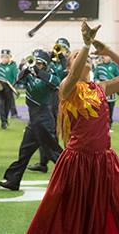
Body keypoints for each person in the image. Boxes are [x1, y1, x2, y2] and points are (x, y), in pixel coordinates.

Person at [27, 20, 119, 234]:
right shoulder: (66, 88)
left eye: (86, 55)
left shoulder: (101, 88)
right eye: (77, 56)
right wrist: (86, 45)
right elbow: (72, 76)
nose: (85, 56)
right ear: (69, 66)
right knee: (72, 217)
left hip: (104, 161)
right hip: (77, 162)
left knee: (118, 214)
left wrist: (107, 50)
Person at [0, 49, 63, 190]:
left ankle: (73, 178)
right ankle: (14, 181)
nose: (36, 64)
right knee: (24, 151)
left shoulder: (49, 75)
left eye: (39, 63)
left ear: (44, 64)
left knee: (54, 152)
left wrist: (38, 72)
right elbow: (15, 81)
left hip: (44, 117)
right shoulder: (30, 76)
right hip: (33, 118)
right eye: (35, 62)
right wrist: (25, 71)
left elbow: (56, 83)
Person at [27, 38, 70, 174]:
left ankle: (68, 161)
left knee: (62, 132)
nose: (59, 50)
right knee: (45, 130)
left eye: (62, 48)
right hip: (49, 97)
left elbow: (65, 75)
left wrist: (62, 58)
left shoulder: (68, 61)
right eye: (58, 48)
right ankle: (43, 162)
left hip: (61, 97)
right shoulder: (52, 62)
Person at [94, 54, 119, 131]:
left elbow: (118, 76)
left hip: (111, 89)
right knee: (101, 108)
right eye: (105, 56)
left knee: (110, 108)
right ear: (103, 57)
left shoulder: (114, 66)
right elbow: (95, 76)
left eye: (108, 56)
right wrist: (97, 80)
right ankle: (102, 125)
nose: (107, 57)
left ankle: (110, 125)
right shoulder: (99, 66)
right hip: (102, 90)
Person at [0, 49, 18, 129]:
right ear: (1, 57)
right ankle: (3, 122)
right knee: (0, 104)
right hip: (0, 88)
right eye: (3, 57)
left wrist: (14, 83)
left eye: (6, 57)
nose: (5, 59)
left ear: (9, 58)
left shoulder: (12, 66)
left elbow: (15, 75)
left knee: (7, 106)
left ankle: (5, 120)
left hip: (8, 88)